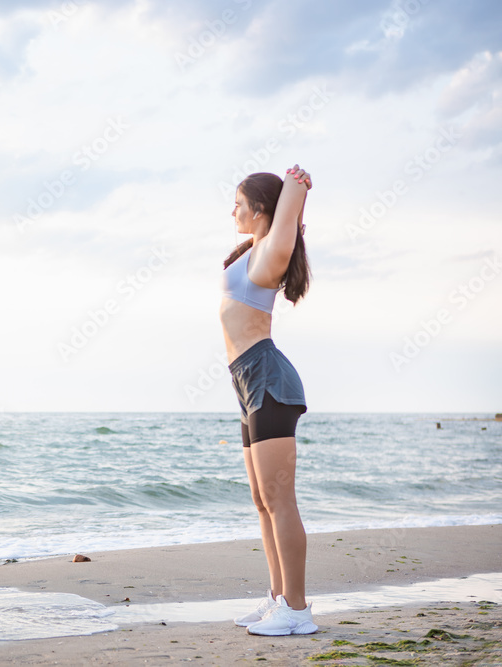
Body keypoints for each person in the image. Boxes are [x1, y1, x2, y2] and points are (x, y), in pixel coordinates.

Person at [220, 164, 315, 636]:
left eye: (239, 203)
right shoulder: (255, 250)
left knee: (279, 499)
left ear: (260, 210)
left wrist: (296, 183)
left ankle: (297, 610)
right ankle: (279, 598)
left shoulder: (270, 256)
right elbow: (287, 224)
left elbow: (289, 213)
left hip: (267, 378)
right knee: (261, 499)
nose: (232, 210)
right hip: (245, 378)